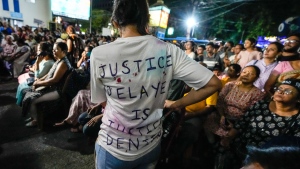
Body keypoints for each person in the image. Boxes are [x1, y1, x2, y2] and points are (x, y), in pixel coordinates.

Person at [90, 0, 222, 168]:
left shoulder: (100, 54)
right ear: (147, 20)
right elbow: (214, 84)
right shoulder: (168, 50)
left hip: (115, 147)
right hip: (150, 146)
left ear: (115, 23)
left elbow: (102, 101)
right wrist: (176, 104)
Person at [223, 78, 300, 149]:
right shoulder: (261, 105)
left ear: (298, 99)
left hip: (267, 158)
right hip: (242, 147)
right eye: (279, 88)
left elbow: (294, 146)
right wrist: (228, 138)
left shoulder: (297, 119)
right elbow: (242, 123)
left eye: (287, 91)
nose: (280, 92)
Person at [204, 65, 264, 139]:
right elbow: (220, 102)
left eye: (251, 74)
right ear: (240, 73)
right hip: (222, 115)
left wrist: (235, 125)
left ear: (256, 77)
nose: (246, 75)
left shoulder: (258, 93)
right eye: (244, 72)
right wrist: (222, 116)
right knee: (210, 118)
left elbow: (251, 113)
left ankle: (226, 141)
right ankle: (213, 143)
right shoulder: (230, 85)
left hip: (240, 122)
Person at [22, 42, 72, 127]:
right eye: (53, 50)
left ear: (63, 51)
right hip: (51, 88)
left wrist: (38, 83)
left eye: (56, 49)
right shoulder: (59, 61)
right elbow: (48, 74)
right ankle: (33, 115)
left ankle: (36, 120)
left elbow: (53, 80)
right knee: (26, 91)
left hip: (57, 91)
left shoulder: (63, 63)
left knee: (32, 99)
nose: (53, 51)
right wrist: (38, 81)